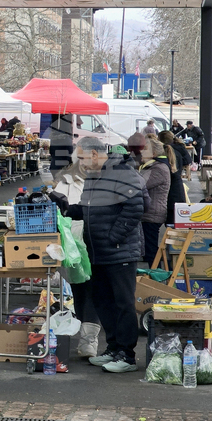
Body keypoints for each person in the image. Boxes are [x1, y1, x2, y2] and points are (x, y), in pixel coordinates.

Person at [50, 137, 144, 373]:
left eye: (81, 157)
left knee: (123, 303)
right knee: (103, 301)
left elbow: (137, 207)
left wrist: (114, 237)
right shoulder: (93, 177)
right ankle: (113, 348)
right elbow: (88, 210)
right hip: (98, 250)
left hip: (119, 251)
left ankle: (127, 355)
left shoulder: (121, 172)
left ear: (93, 154)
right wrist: (66, 207)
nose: (80, 163)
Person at [135, 135, 170, 266]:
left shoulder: (158, 169)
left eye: (145, 150)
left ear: (153, 153)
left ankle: (156, 276)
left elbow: (139, 184)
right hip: (150, 213)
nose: (141, 152)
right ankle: (155, 273)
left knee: (151, 250)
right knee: (149, 248)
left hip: (153, 214)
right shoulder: (152, 167)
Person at [157, 131, 188, 224]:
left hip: (171, 193)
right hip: (178, 191)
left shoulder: (169, 154)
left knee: (171, 223)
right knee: (175, 223)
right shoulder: (178, 151)